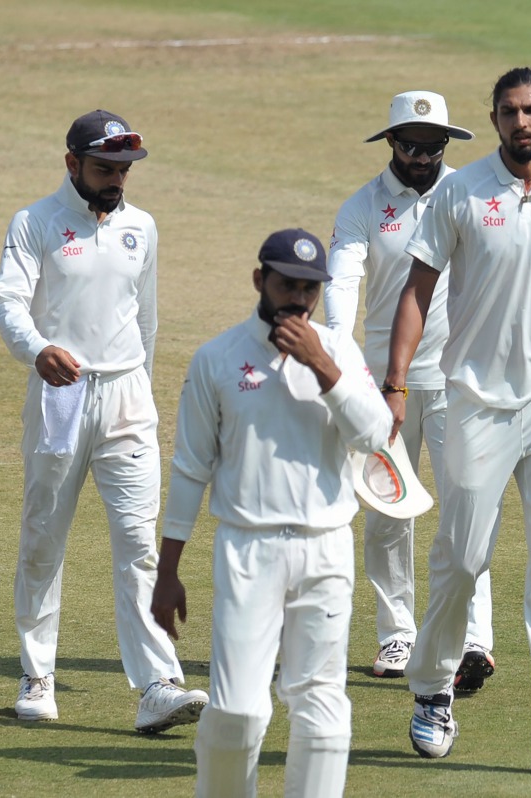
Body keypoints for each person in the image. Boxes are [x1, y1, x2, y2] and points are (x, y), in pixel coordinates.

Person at [385, 68, 531, 779]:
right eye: (511, 112)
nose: (523, 122)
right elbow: (416, 292)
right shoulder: (460, 191)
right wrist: (395, 386)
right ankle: (431, 686)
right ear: (493, 119)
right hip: (477, 401)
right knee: (461, 557)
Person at [152, 229, 392, 797]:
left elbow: (376, 434)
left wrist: (322, 366)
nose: (299, 300)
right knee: (237, 712)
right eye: (288, 284)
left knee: (323, 710)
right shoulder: (218, 358)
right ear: (260, 280)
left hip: (326, 545)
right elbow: (191, 468)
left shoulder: (339, 350)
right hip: (247, 547)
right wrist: (166, 571)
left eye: (310, 289)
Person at [0, 109, 208, 733]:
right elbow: (8, 300)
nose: (116, 180)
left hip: (127, 396)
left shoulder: (142, 225)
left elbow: (147, 316)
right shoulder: (34, 222)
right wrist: (37, 349)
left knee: (142, 545)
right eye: (104, 168)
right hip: (60, 394)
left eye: (124, 169)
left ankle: (156, 687)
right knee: (43, 540)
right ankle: (37, 674)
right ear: (72, 164)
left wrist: (138, 382)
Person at [325, 90, 497, 690]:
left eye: (434, 145)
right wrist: (336, 353)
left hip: (460, 378)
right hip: (381, 384)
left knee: (467, 506)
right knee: (387, 514)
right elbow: (342, 284)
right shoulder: (362, 207)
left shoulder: (473, 194)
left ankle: (472, 636)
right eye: (411, 145)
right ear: (390, 142)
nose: (422, 156)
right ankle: (397, 633)